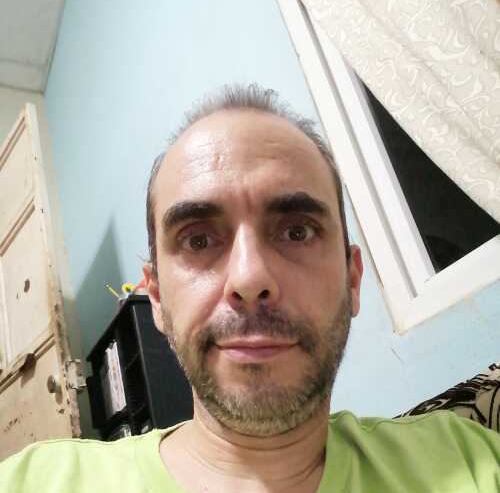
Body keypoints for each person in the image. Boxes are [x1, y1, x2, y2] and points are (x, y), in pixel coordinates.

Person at [1, 84, 499, 492]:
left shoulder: (470, 462)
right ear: (156, 297)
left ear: (352, 280)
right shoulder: (33, 482)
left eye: (296, 231)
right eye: (198, 240)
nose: (249, 277)